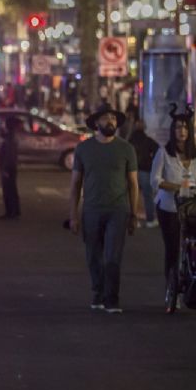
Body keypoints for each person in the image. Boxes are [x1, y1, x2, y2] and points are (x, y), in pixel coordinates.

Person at [68, 104, 139, 314]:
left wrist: (134, 214)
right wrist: (73, 215)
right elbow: (75, 184)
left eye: (114, 119)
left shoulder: (126, 149)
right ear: (96, 123)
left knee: (113, 257)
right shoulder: (83, 149)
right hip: (91, 209)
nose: (111, 122)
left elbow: (133, 183)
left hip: (118, 210)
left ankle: (112, 298)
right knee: (93, 256)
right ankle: (97, 292)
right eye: (106, 118)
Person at [150, 108, 196, 290]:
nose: (182, 131)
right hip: (169, 207)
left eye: (185, 127)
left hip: (194, 207)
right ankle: (171, 287)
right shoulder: (164, 153)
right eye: (178, 127)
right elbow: (155, 180)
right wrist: (177, 188)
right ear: (173, 130)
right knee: (172, 248)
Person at [128, 119, 160, 228]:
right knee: (148, 195)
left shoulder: (130, 140)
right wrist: (151, 160)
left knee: (132, 196)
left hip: (132, 170)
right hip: (145, 170)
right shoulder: (147, 140)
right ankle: (150, 220)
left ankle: (134, 220)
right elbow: (157, 150)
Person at [0, 116, 21, 220]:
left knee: (8, 190)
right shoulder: (11, 136)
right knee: (12, 189)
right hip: (11, 166)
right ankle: (15, 210)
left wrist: (5, 169)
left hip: (8, 167)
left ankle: (10, 212)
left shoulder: (11, 138)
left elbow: (9, 155)